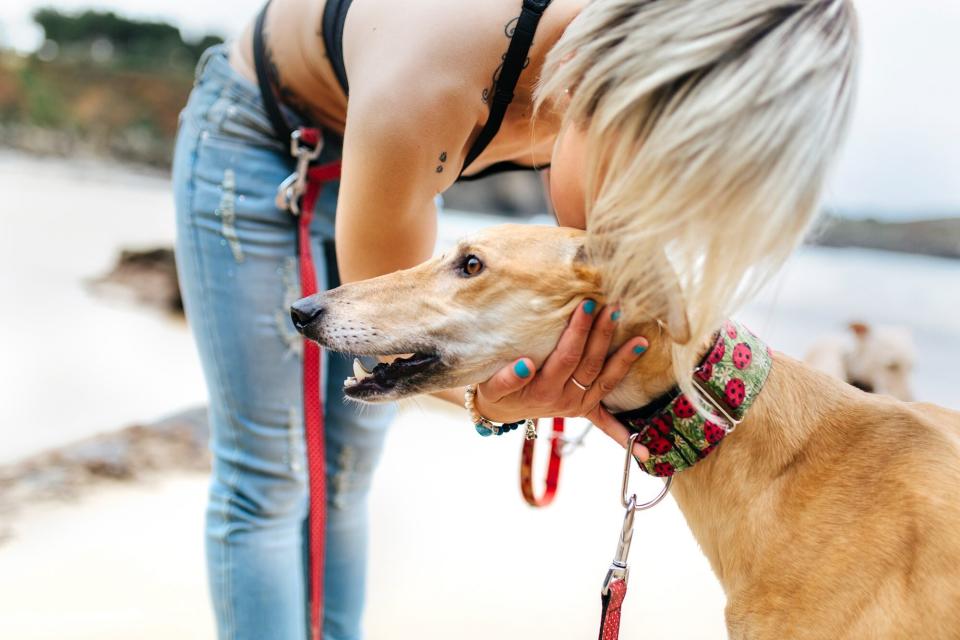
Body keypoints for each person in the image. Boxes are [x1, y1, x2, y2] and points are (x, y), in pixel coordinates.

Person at [171, 0, 857, 638]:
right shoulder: (434, 69)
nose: (634, 224)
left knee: (346, 476)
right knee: (270, 473)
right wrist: (499, 399)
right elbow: (380, 335)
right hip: (263, 137)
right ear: (611, 84)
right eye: (651, 175)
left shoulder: (621, 85)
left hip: (396, 149)